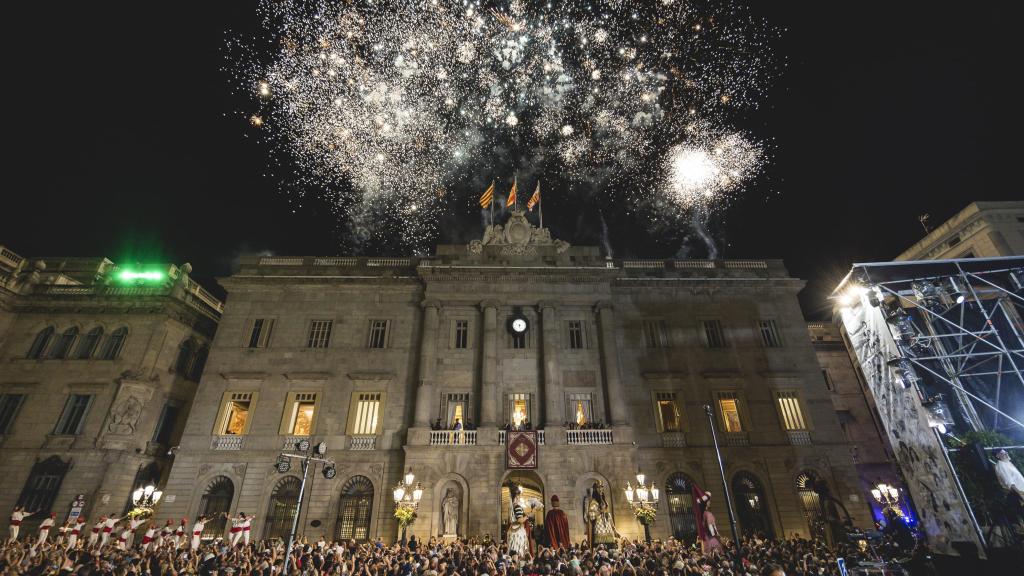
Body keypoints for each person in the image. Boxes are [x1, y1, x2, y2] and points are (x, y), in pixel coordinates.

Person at [692, 483, 723, 555]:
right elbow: (711, 529)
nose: (710, 502)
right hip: (711, 540)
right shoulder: (708, 514)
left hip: (705, 541)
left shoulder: (701, 514)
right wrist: (719, 537)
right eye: (709, 501)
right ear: (706, 502)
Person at [507, 484, 528, 557]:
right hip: (518, 532)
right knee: (519, 552)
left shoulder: (511, 507)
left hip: (512, 530)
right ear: (516, 496)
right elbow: (520, 520)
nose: (519, 497)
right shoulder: (518, 507)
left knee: (512, 550)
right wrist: (527, 516)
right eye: (519, 495)